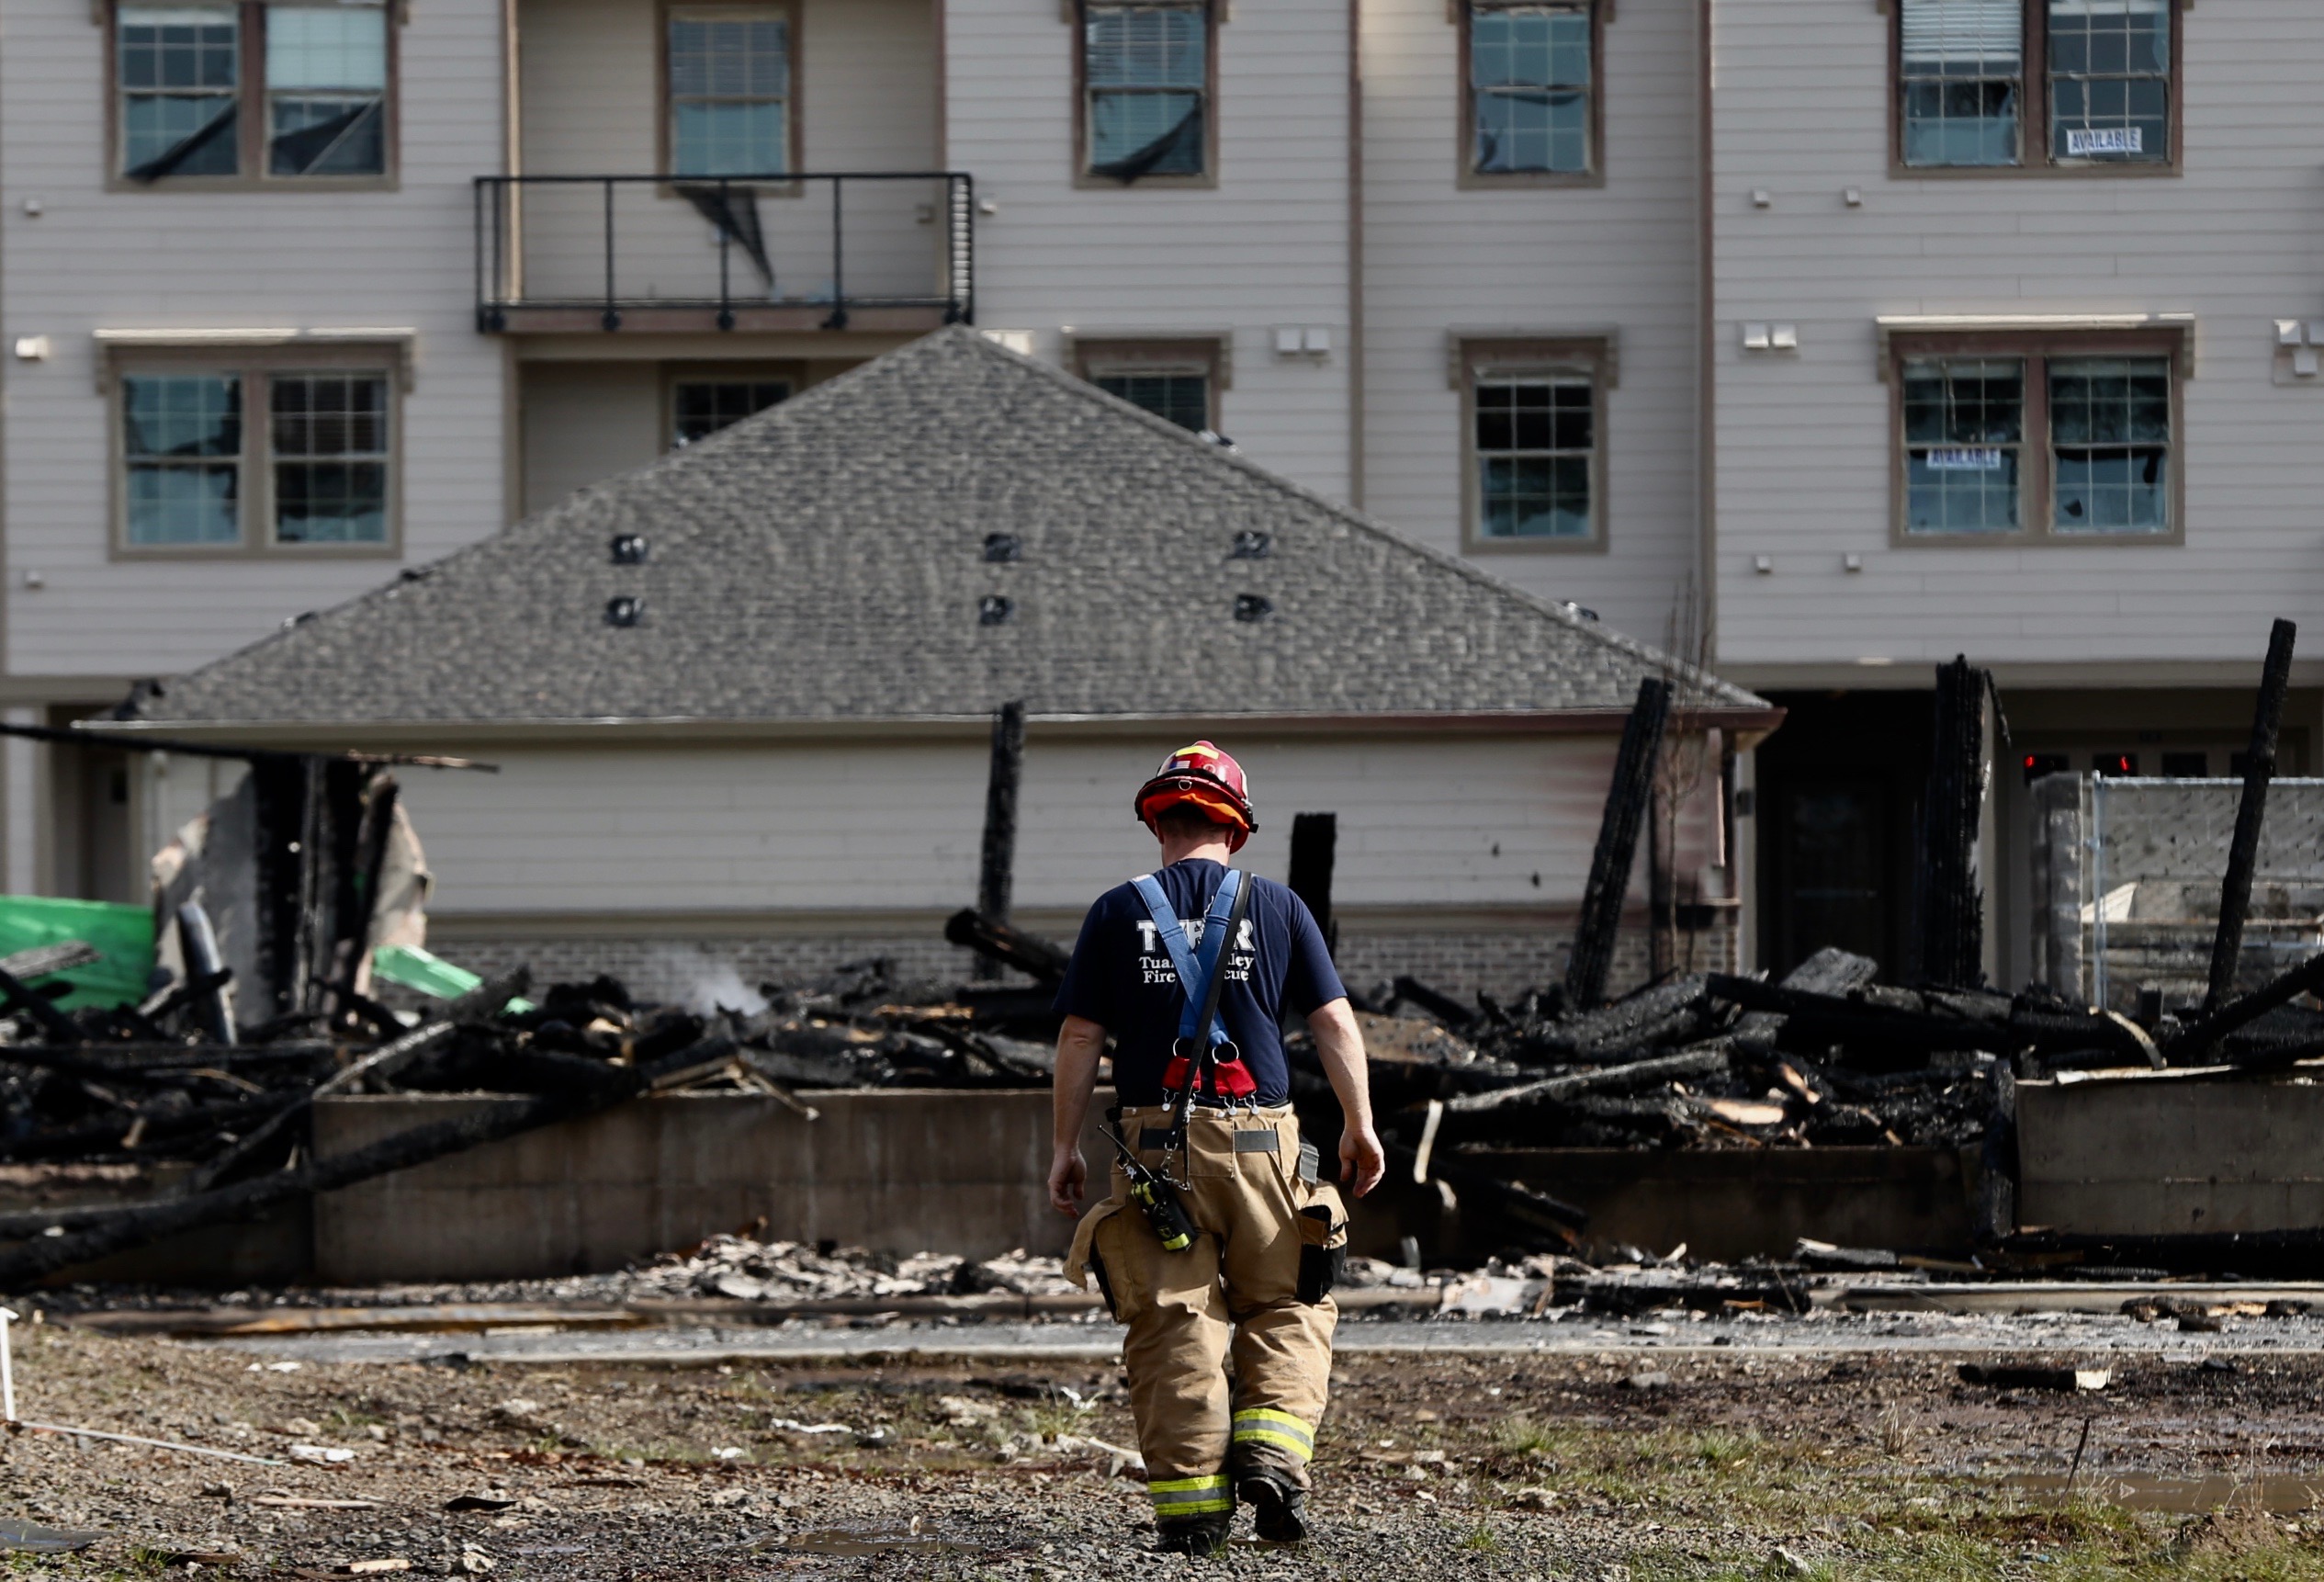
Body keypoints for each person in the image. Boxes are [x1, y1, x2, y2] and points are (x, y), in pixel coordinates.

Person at [1049, 740, 1385, 1555]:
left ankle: (1194, 1512)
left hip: (1153, 1150)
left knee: (1174, 1320)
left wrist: (1064, 1145)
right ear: (1235, 830)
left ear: (1156, 820)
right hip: (1265, 1144)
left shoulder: (1115, 911)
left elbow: (1080, 1033)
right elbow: (1332, 1020)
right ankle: (1271, 1457)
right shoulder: (1278, 907)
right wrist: (1359, 1123)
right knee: (1285, 1302)